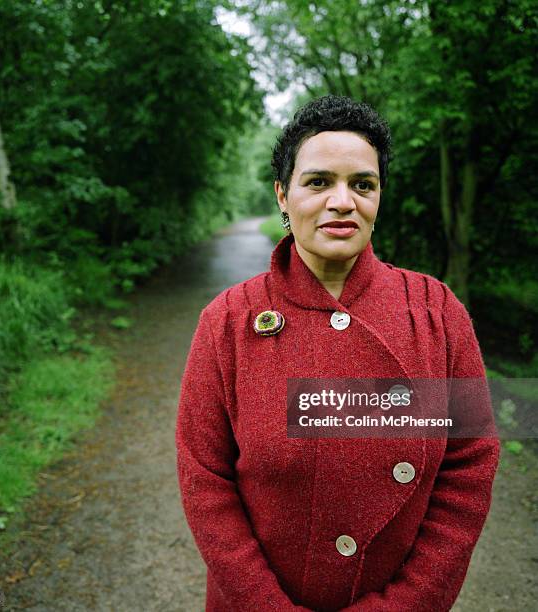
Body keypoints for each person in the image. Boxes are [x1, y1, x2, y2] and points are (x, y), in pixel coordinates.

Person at [175, 95, 500, 611]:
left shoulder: (437, 312)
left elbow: (468, 470)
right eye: (319, 181)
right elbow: (204, 479)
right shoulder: (228, 321)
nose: (343, 201)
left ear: (379, 197)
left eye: (362, 184)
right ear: (283, 195)